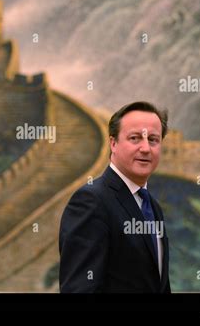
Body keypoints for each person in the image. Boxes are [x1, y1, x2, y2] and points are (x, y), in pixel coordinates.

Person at [59, 101, 171, 293]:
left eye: (153, 139)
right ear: (113, 143)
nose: (145, 148)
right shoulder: (91, 201)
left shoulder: (153, 207)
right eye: (135, 138)